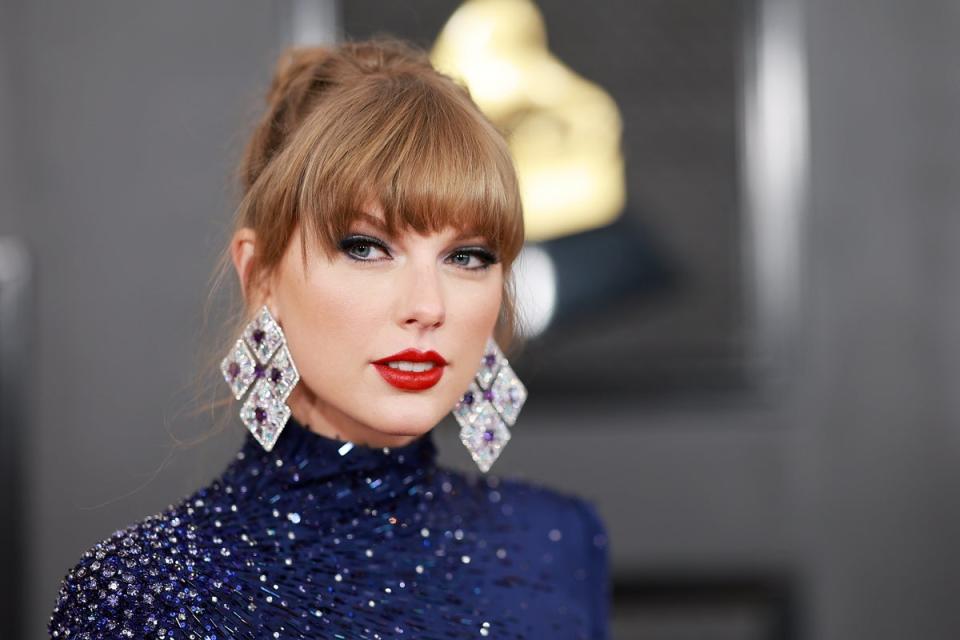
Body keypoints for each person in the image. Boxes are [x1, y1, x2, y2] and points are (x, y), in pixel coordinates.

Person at [47, 38, 610, 639]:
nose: (427, 307)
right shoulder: (147, 597)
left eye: (467, 256)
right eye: (366, 247)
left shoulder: (556, 543)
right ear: (260, 275)